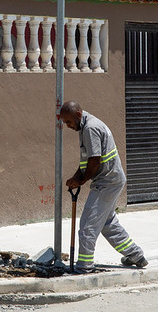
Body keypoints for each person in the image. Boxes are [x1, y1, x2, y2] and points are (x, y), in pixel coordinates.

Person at [59, 101, 148, 273]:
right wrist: (77, 177)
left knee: (88, 225)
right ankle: (136, 255)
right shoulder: (85, 126)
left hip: (107, 182)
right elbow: (86, 160)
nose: (67, 126)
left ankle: (84, 266)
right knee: (108, 224)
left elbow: (94, 161)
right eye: (65, 122)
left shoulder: (90, 129)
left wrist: (82, 181)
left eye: (68, 122)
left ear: (78, 115)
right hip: (111, 180)